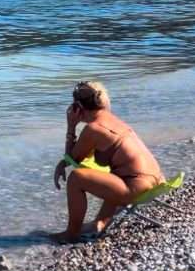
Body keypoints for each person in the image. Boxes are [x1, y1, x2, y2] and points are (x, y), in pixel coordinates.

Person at [50, 80, 164, 243]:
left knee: (76, 178)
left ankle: (71, 234)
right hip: (155, 180)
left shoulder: (94, 129)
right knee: (112, 173)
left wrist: (71, 126)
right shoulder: (112, 120)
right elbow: (79, 158)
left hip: (136, 186)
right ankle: (100, 222)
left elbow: (73, 159)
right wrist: (65, 162)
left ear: (78, 108)